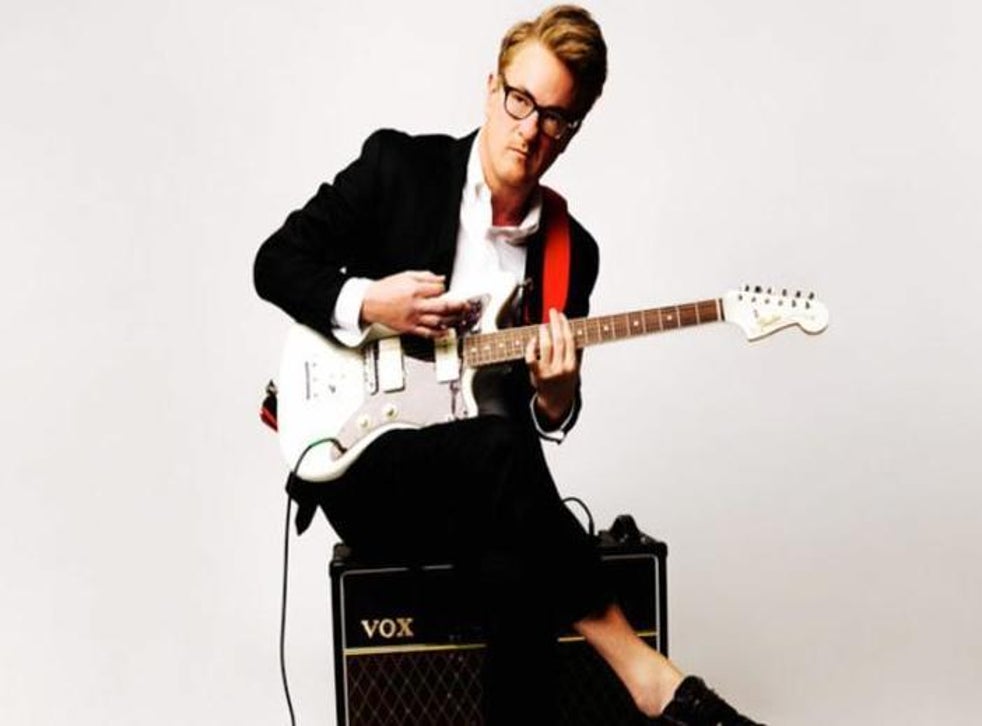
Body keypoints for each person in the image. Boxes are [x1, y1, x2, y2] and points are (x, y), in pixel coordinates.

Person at [255, 5, 762, 724]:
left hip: (482, 489)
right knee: (504, 462)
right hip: (366, 465)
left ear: (574, 128)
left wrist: (556, 396)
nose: (531, 130)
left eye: (555, 118)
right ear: (491, 87)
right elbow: (274, 263)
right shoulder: (399, 168)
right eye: (521, 101)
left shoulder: (570, 253)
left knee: (517, 568)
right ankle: (650, 678)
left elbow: (533, 414)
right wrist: (369, 301)